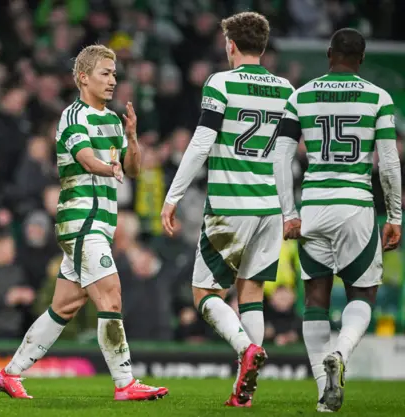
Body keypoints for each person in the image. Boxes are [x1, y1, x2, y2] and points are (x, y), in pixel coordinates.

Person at [0, 44, 168, 401]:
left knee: (64, 307)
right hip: (81, 221)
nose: (112, 80)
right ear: (83, 77)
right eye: (105, 73)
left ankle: (10, 373)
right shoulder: (73, 116)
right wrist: (110, 167)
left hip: (101, 222)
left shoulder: (113, 120)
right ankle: (125, 383)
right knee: (111, 296)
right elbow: (87, 159)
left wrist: (132, 138)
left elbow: (133, 170)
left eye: (115, 73)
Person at [160, 12, 294, 407]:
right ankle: (244, 391)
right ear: (264, 47)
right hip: (269, 205)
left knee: (204, 292)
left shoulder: (221, 82)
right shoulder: (286, 89)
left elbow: (201, 144)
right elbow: (285, 156)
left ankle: (246, 350)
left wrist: (173, 195)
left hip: (230, 203)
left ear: (230, 45)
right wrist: (289, 211)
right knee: (251, 293)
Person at [272, 28, 401, 413]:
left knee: (315, 298)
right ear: (360, 59)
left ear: (329, 54)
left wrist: (289, 213)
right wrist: (394, 214)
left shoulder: (301, 96)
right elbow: (389, 164)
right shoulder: (378, 98)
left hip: (312, 206)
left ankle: (321, 392)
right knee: (363, 294)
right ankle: (341, 352)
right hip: (355, 207)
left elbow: (281, 158)